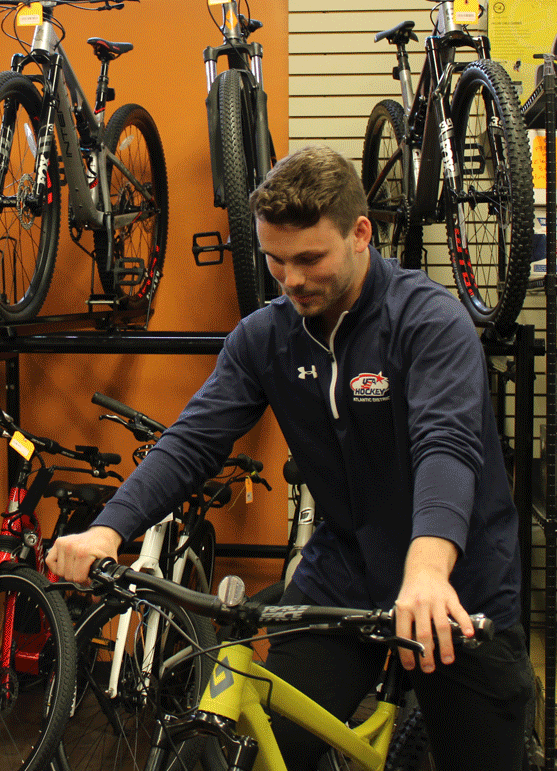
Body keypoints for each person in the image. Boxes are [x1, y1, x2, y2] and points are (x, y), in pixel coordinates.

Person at [46, 145, 531, 771]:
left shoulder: (427, 321)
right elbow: (194, 439)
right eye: (276, 262)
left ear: (361, 234)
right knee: (272, 750)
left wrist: (429, 570)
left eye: (309, 259)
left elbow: (447, 444)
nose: (293, 280)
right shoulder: (264, 338)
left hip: (456, 584)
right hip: (344, 575)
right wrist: (109, 528)